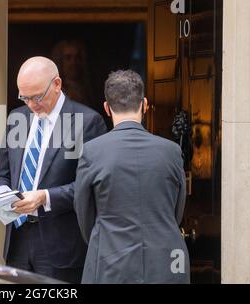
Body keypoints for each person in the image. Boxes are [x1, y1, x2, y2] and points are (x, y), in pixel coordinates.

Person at [0, 56, 107, 283]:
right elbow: (3, 174)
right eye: (24, 97)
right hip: (17, 241)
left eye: (37, 97)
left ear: (57, 84)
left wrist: (45, 197)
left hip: (61, 245)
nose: (31, 105)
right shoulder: (17, 118)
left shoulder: (87, 122)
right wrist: (1, 196)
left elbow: (90, 187)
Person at [74, 70, 190, 284]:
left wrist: (103, 240)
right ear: (145, 104)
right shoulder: (172, 151)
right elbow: (177, 210)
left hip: (110, 259)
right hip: (167, 260)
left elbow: (84, 213)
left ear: (107, 109)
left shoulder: (92, 151)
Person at [51, 40, 93, 107]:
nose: (73, 62)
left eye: (77, 57)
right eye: (68, 58)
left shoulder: (89, 90)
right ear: (61, 61)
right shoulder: (54, 91)